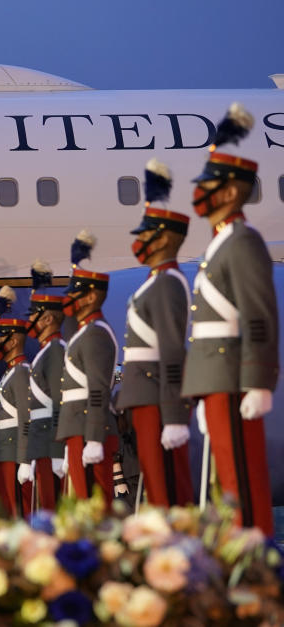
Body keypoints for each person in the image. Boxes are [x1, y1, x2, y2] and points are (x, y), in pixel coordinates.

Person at [182, 103, 278, 537]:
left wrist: (259, 380)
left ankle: (254, 550)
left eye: (209, 184)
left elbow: (258, 313)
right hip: (214, 377)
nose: (200, 193)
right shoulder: (218, 246)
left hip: (234, 374)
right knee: (227, 471)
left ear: (232, 191)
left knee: (243, 470)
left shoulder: (242, 242)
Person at [115, 159, 194, 508]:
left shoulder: (167, 283)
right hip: (141, 396)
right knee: (154, 485)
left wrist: (174, 414)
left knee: (165, 485)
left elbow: (172, 351)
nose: (139, 243)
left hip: (155, 397)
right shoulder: (154, 282)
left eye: (145, 236)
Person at [57, 232, 119, 511]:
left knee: (93, 505)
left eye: (76, 296)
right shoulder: (83, 333)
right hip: (77, 426)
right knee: (80, 501)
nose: (70, 302)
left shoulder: (95, 334)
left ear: (92, 296)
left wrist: (94, 437)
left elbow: (97, 389)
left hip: (88, 426)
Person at [26, 289, 67, 511]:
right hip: (41, 440)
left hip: (50, 442)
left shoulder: (55, 351)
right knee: (43, 505)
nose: (29, 322)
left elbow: (59, 399)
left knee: (52, 507)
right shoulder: (45, 351)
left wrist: (58, 450)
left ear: (48, 318)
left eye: (34, 316)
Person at [0, 317, 32, 518]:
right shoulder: (10, 373)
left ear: (14, 341)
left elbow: (26, 417)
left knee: (19, 511)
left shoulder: (21, 372)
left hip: (15, 452)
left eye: (1, 339)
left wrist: (24, 459)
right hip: (5, 451)